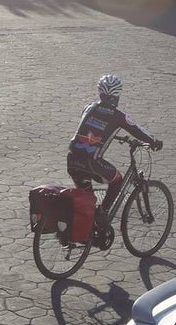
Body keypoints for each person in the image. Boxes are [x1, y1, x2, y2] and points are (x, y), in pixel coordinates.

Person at [68, 74, 162, 227]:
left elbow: (89, 127)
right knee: (117, 180)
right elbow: (137, 130)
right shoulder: (119, 116)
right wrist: (153, 141)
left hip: (72, 159)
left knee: (87, 202)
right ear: (117, 94)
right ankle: (103, 213)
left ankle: (88, 231)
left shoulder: (89, 108)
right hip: (91, 162)